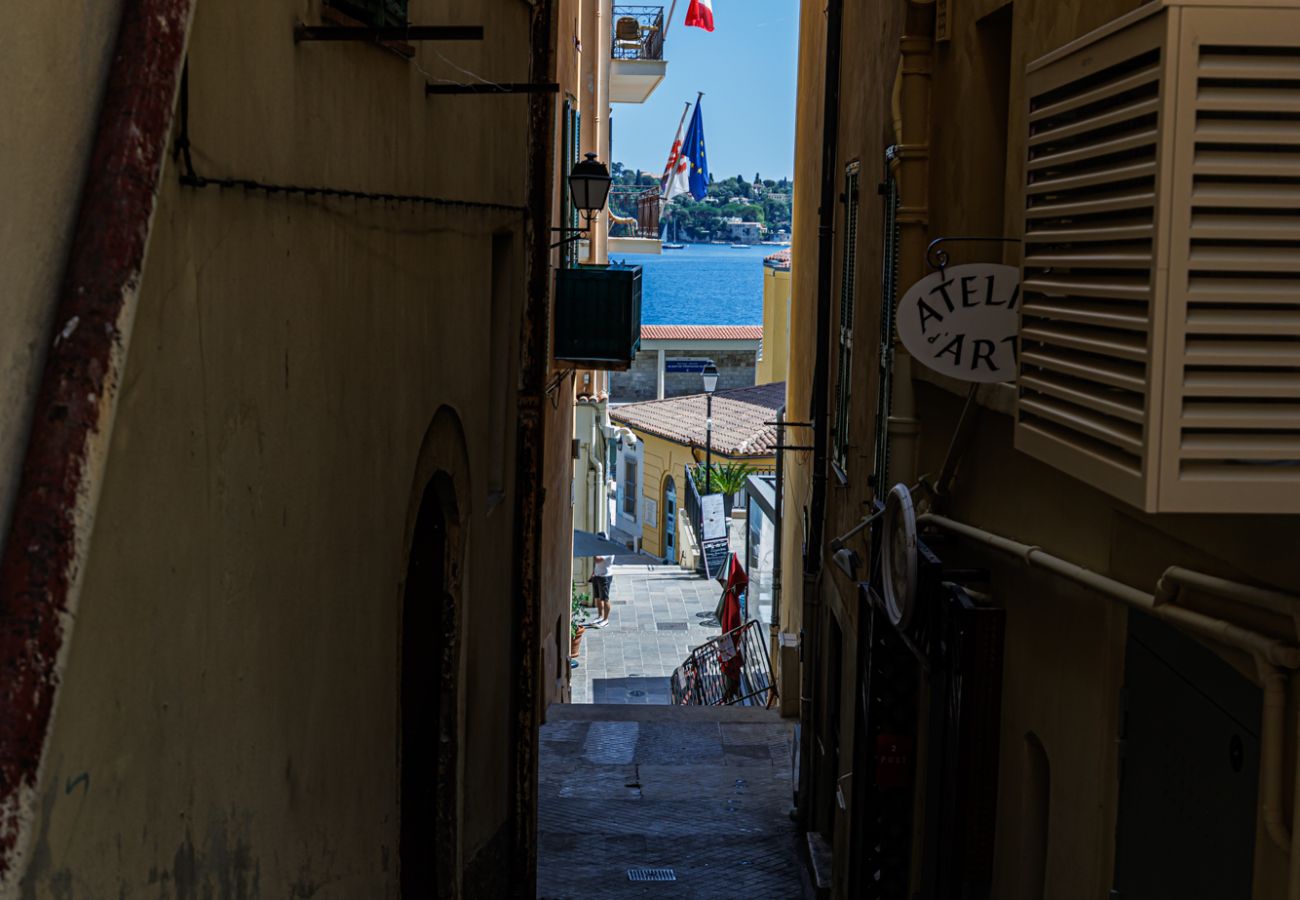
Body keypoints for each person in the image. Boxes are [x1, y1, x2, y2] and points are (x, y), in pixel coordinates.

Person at [589, 553, 613, 626]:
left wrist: (593, 552)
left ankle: (606, 620)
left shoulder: (609, 550)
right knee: (598, 597)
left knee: (605, 598)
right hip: (597, 575)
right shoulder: (600, 550)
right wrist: (593, 573)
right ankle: (600, 616)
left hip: (605, 576)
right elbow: (597, 564)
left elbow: (597, 559)